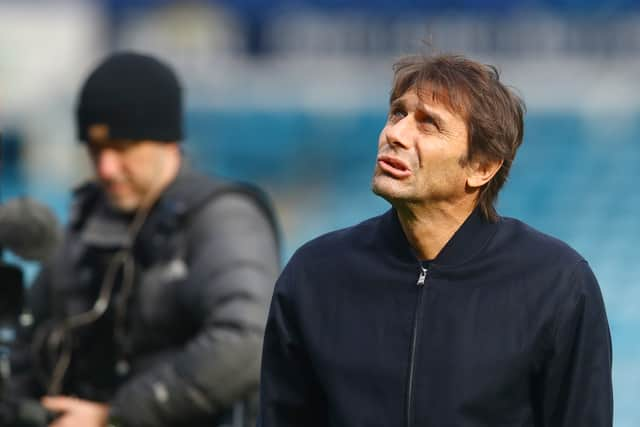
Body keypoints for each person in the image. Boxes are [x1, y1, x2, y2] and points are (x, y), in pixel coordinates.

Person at [258, 53, 613, 426]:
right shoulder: (314, 273)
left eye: (428, 124)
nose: (395, 134)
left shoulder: (557, 283)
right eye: (398, 114)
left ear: (482, 167)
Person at [8, 52, 280, 427]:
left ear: (167, 141)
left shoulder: (222, 218)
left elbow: (246, 342)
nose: (105, 167)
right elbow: (27, 345)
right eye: (94, 148)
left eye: (122, 148)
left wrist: (114, 416)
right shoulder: (84, 224)